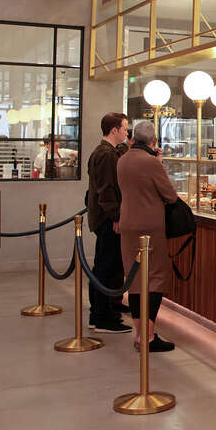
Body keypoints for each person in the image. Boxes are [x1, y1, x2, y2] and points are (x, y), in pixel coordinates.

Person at [116, 120, 179, 353]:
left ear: (132, 138)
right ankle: (149, 337)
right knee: (154, 279)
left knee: (134, 280)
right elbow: (170, 196)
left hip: (128, 224)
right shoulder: (151, 163)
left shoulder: (122, 160)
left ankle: (139, 333)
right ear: (153, 141)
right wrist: (159, 163)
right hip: (150, 228)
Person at [85, 113, 132, 334]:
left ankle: (108, 309)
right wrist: (115, 217)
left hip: (105, 218)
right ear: (114, 130)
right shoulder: (105, 156)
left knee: (110, 266)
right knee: (105, 266)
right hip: (107, 220)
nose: (126, 132)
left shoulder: (107, 152)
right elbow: (107, 190)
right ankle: (100, 316)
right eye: (124, 129)